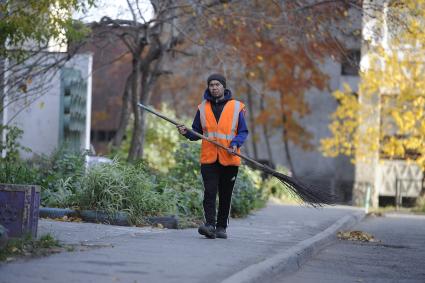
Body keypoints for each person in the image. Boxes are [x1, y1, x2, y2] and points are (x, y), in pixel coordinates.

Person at [177, 73, 248, 239]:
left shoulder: (236, 107)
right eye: (211, 85)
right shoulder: (202, 108)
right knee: (209, 191)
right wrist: (186, 133)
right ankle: (210, 225)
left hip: (229, 158)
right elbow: (197, 133)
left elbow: (243, 131)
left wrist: (235, 144)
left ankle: (221, 227)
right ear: (208, 87)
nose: (214, 87)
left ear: (224, 86)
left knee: (225, 194)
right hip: (209, 158)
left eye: (217, 84)